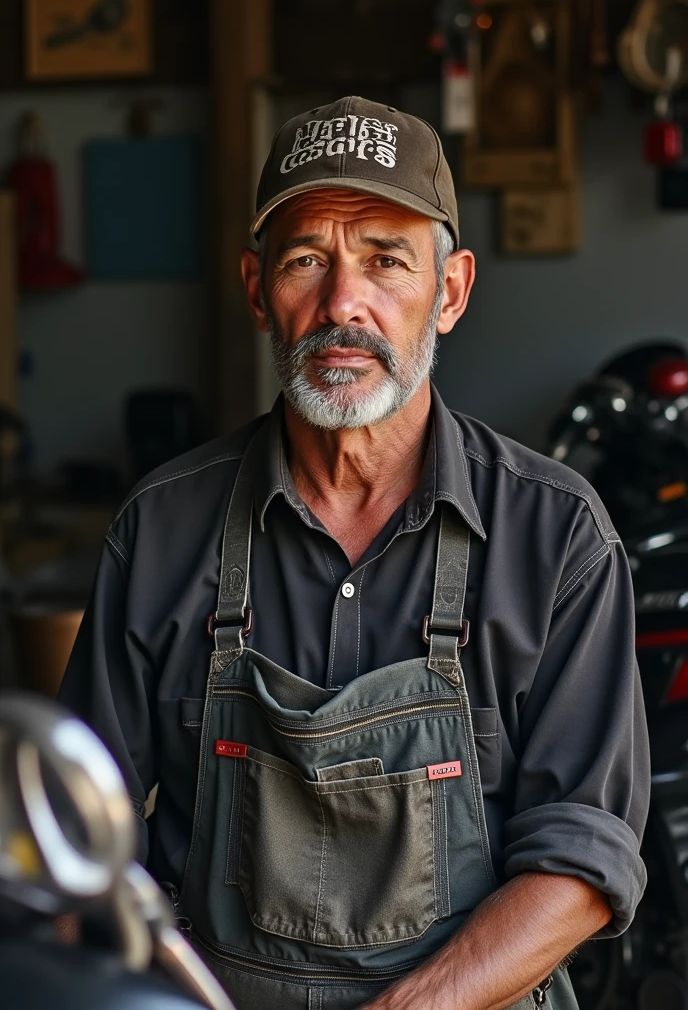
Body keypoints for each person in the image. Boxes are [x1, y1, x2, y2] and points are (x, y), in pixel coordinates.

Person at [60, 96, 649, 1010]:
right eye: (307, 261)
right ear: (258, 290)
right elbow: (83, 843)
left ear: (448, 291)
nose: (345, 303)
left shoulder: (556, 535)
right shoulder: (162, 530)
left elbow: (584, 855)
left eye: (386, 260)